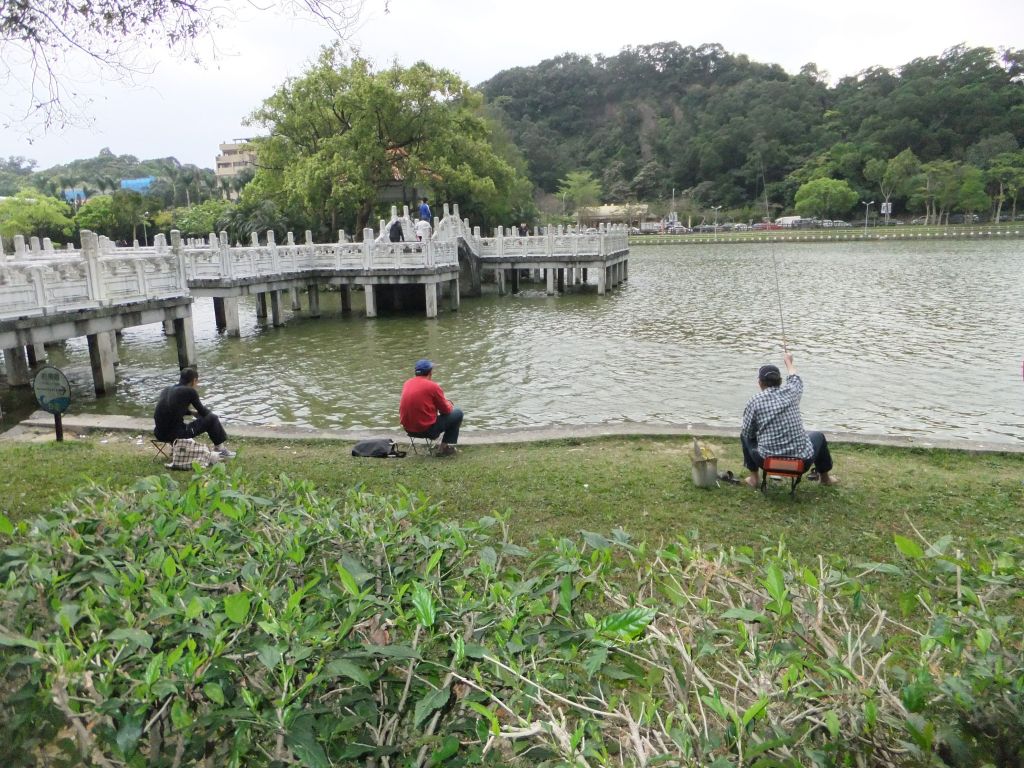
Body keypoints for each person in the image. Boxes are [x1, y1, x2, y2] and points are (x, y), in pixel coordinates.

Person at [740, 352, 837, 489]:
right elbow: (794, 377)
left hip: (768, 462)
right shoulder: (792, 392)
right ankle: (825, 478)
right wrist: (788, 361)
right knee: (819, 436)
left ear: (760, 383)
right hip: (801, 463)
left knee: (744, 435)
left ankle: (754, 478)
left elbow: (749, 433)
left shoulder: (754, 401)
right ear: (780, 381)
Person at [153, 367, 235, 458]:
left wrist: (191, 412)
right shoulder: (190, 391)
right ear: (194, 380)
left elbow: (171, 410)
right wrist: (208, 413)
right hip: (176, 435)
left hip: (159, 434)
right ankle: (220, 449)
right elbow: (204, 413)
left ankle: (174, 447)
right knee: (213, 418)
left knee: (175, 424)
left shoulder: (167, 389)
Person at [399, 359, 463, 457]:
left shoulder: (407, 383)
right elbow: (445, 410)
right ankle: (444, 448)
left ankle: (444, 446)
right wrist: (449, 403)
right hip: (427, 431)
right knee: (458, 413)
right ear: (430, 372)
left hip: (408, 430)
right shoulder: (433, 386)